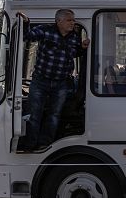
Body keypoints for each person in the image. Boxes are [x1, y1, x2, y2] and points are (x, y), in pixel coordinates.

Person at [19, 9, 89, 151]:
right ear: (59, 21)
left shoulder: (74, 37)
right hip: (40, 80)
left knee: (54, 115)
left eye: (73, 20)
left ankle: (45, 144)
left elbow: (75, 53)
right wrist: (26, 23)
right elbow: (28, 36)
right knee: (34, 114)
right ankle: (30, 145)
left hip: (61, 82)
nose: (73, 23)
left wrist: (82, 48)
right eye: (69, 20)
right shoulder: (45, 31)